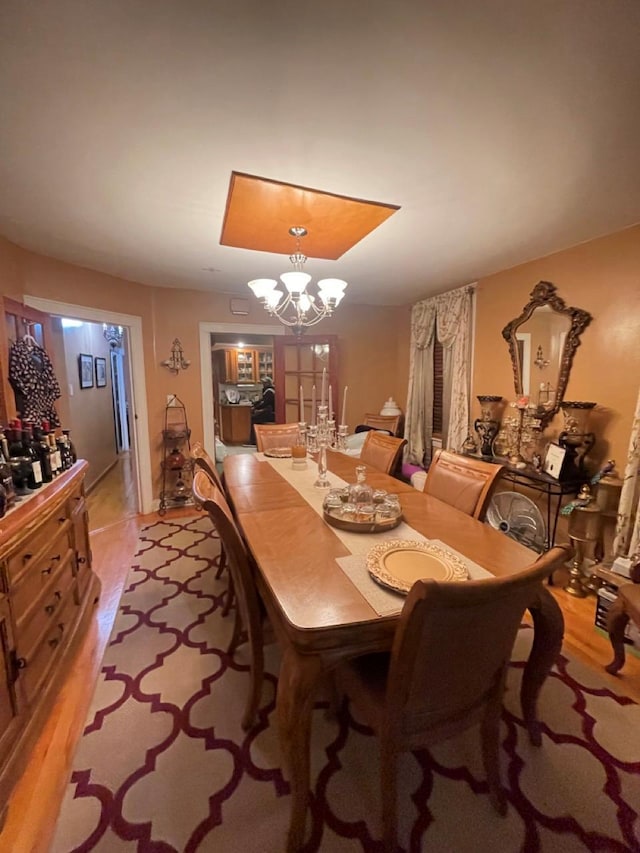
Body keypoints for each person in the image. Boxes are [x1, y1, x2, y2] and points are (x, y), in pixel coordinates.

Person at [249, 377, 276, 444]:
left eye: (264, 383)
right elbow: (262, 400)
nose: (263, 384)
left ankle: (254, 441)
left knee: (254, 419)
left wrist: (255, 408)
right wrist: (255, 404)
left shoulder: (269, 391)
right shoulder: (270, 390)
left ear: (267, 383)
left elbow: (265, 403)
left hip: (270, 413)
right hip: (270, 412)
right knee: (255, 418)